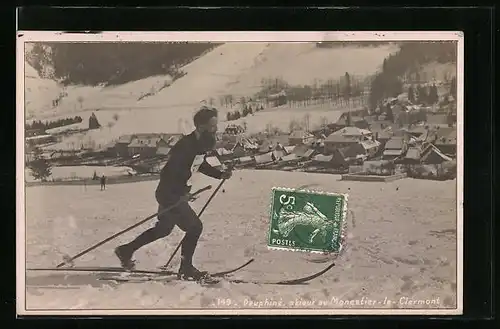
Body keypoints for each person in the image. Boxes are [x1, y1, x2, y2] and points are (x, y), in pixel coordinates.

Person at [114, 106, 232, 280]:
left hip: (172, 194)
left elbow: (201, 164)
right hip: (170, 194)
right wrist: (180, 193)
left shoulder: (199, 145)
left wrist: (220, 174)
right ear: (201, 127)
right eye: (212, 126)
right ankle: (186, 269)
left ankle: (125, 250)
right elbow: (168, 173)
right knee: (195, 227)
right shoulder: (185, 146)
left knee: (163, 230)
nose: (216, 130)